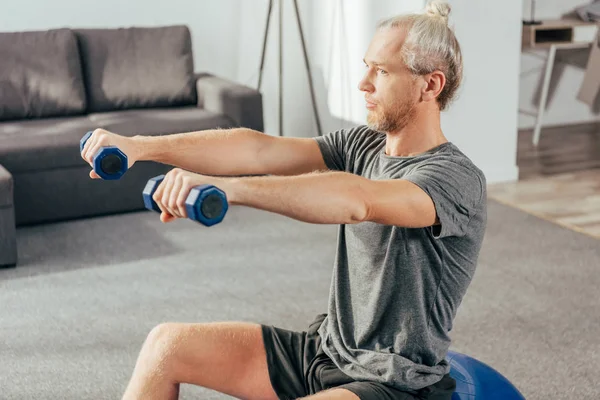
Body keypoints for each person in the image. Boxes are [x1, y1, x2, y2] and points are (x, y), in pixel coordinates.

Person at [81, 1, 486, 399]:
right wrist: (138, 146)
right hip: (323, 352)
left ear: (430, 85)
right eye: (367, 66)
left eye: (381, 71)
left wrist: (232, 190)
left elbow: (357, 199)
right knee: (165, 345)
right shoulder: (362, 145)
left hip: (395, 384)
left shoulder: (455, 179)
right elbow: (259, 150)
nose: (364, 83)